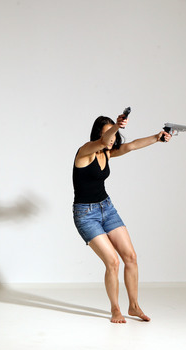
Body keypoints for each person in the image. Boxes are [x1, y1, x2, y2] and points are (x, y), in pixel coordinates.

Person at [72, 113, 172, 323]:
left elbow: (132, 145)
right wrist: (116, 126)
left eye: (114, 134)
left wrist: (157, 137)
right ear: (100, 134)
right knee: (113, 262)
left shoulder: (107, 154)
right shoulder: (85, 151)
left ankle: (134, 306)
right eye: (108, 134)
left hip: (107, 209)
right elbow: (102, 141)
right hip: (86, 215)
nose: (112, 139)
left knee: (131, 258)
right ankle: (115, 309)